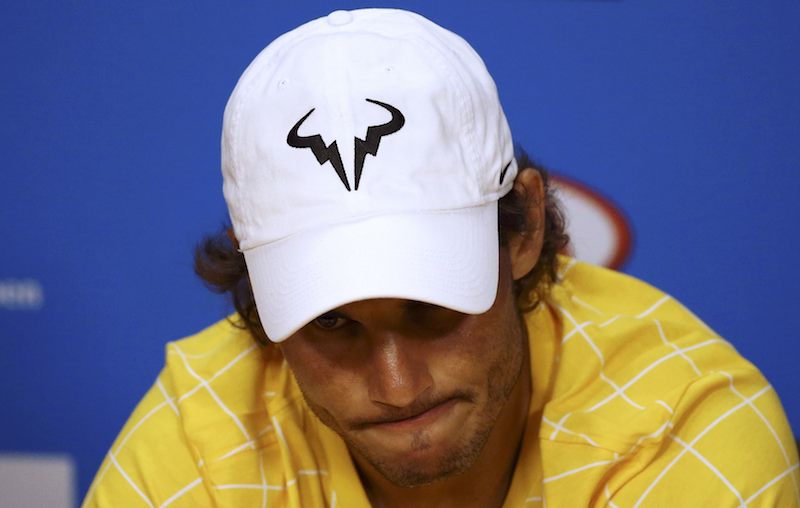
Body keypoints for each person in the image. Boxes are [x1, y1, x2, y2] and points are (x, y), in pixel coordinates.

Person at [83, 8, 799, 507]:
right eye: (333, 324)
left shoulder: (680, 433)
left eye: (430, 308)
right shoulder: (202, 437)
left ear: (519, 232)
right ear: (258, 286)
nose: (395, 385)